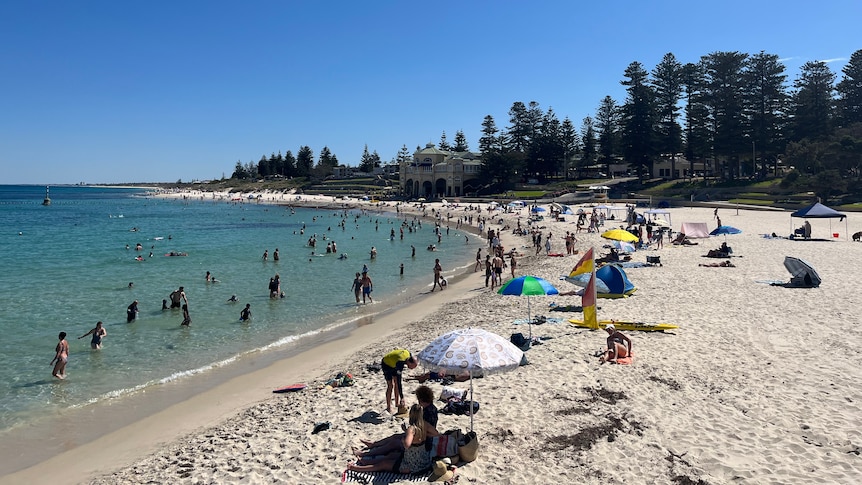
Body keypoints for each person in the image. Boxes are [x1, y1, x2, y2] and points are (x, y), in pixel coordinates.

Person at [347, 404, 430, 474]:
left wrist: (404, 437)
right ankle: (366, 461)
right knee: (392, 455)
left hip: (412, 466)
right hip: (423, 461)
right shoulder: (425, 425)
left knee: (383, 464)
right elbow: (436, 433)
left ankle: (355, 468)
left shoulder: (411, 429)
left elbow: (407, 444)